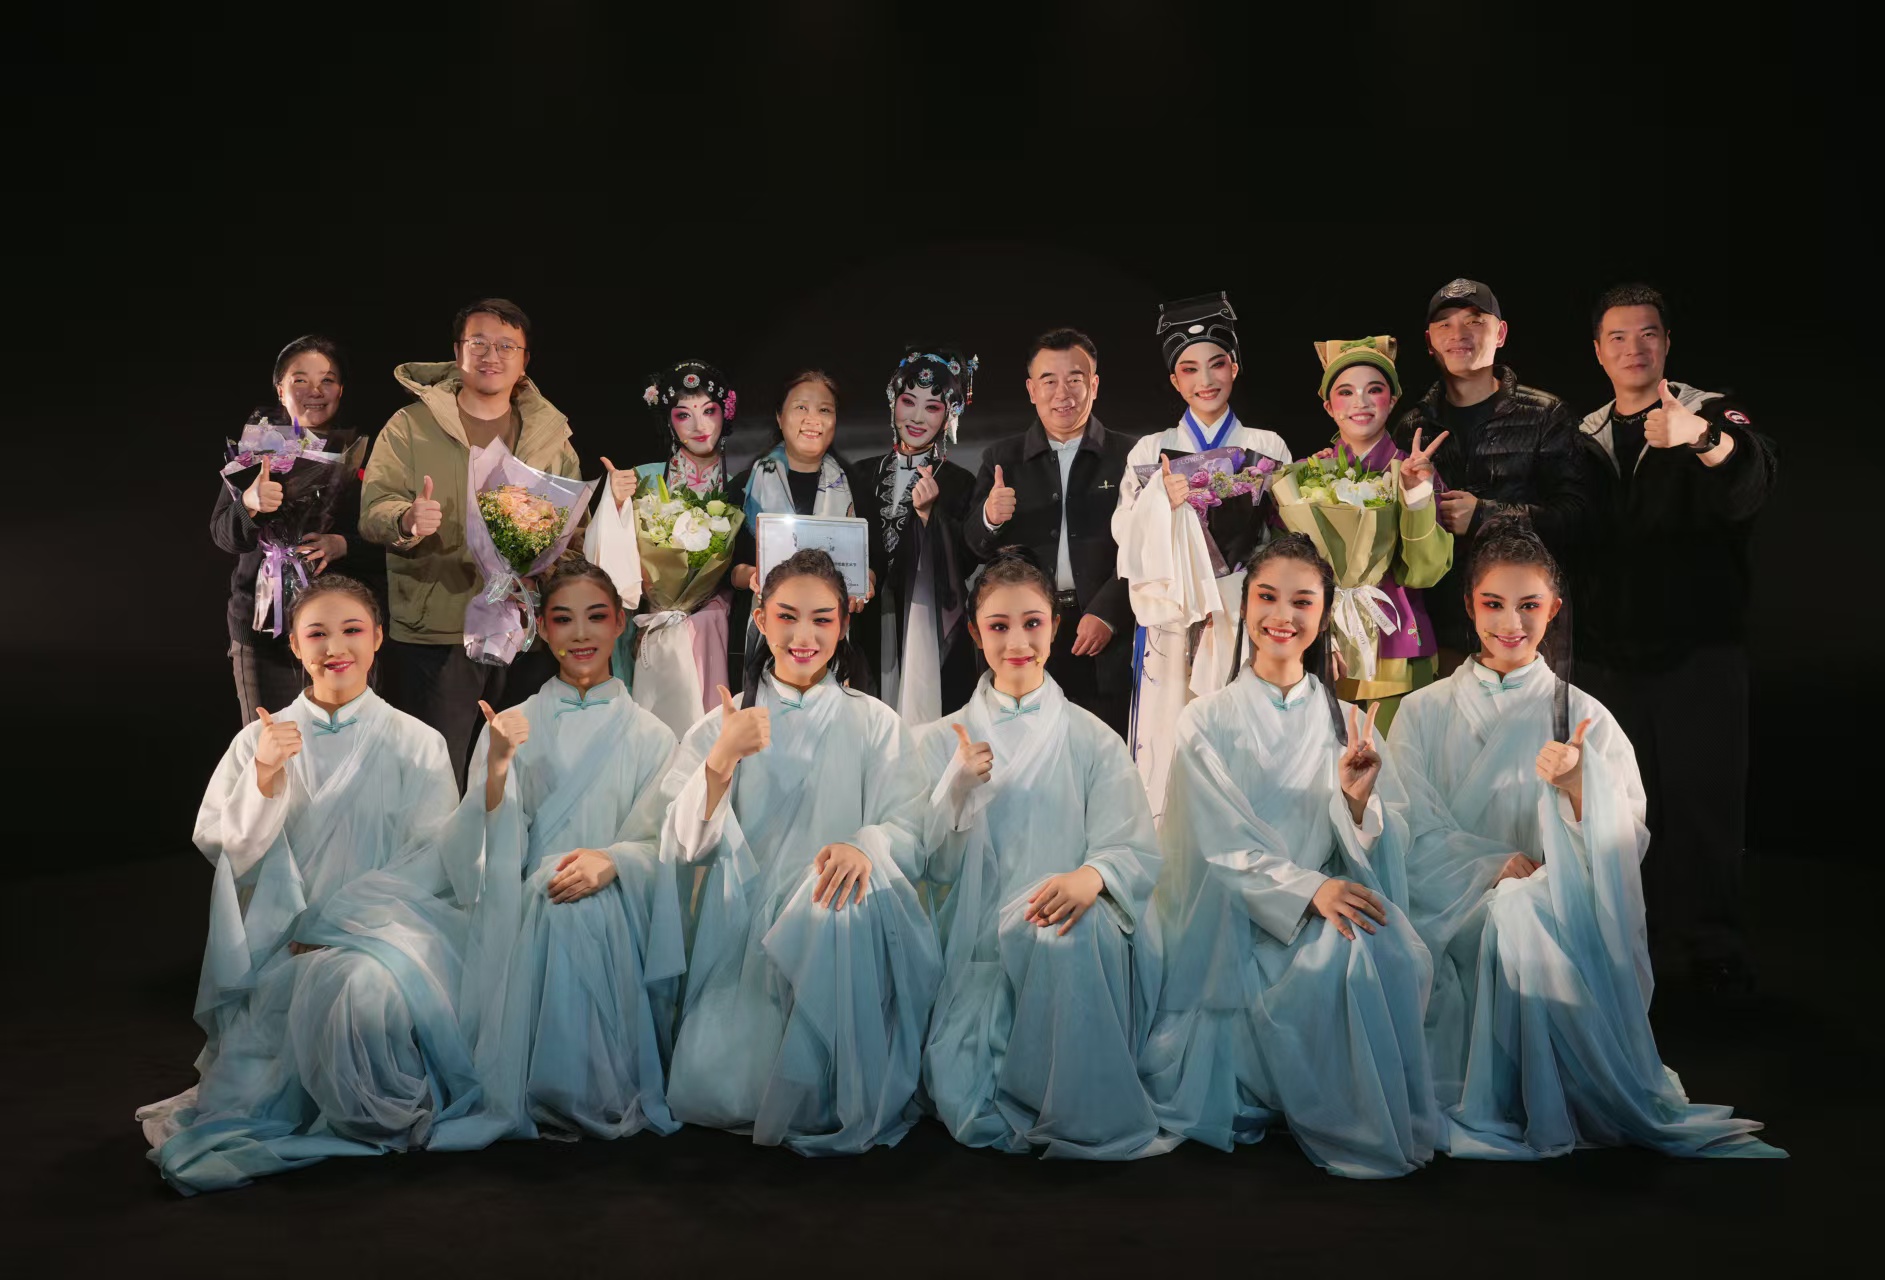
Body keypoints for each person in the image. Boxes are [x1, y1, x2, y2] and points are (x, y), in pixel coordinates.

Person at [1389, 520, 1783, 1160]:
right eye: (1493, 604)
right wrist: (1490, 866)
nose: (1510, 623)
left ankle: (1541, 1095)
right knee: (1507, 907)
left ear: (1554, 610)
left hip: (1552, 910)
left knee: (1522, 911)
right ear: (1469, 606)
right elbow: (1406, 824)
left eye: (1529, 605)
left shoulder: (1586, 715)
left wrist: (1579, 788)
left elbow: (1625, 838)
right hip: (1448, 908)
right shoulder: (1421, 711)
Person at [138, 577, 476, 1193]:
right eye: (316, 633)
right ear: (294, 645)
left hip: (386, 938)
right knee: (251, 1089)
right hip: (283, 941)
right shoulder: (257, 741)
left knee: (361, 992)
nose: (334, 647)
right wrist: (265, 774)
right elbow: (223, 846)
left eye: (352, 630)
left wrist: (345, 928)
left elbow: (431, 859)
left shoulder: (418, 742)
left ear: (378, 638)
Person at [1141, 534, 1439, 1179]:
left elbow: (1388, 840)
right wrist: (1310, 891)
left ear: (1324, 612)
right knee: (1342, 955)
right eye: (1267, 597)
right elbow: (1220, 847)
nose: (1283, 615)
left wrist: (1356, 804)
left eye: (1302, 601)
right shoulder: (1205, 720)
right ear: (1244, 604)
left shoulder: (1348, 723)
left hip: (1319, 901)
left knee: (1393, 948)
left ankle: (1362, 1113)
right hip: (1234, 922)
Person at [658, 549, 940, 1154]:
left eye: (822, 619)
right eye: (786, 617)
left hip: (843, 918)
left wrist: (865, 845)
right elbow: (682, 845)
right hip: (742, 937)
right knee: (719, 1090)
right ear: (760, 618)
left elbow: (911, 826)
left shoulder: (876, 723)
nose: (803, 637)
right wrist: (721, 759)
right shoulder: (721, 724)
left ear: (844, 624)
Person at [915, 548, 1174, 1159]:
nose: (1017, 642)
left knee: (1067, 936)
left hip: (1073, 919)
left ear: (1056, 627)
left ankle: (1076, 1104)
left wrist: (1093, 875)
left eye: (1032, 623)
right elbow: (926, 865)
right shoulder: (935, 741)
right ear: (975, 633)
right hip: (977, 940)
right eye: (999, 626)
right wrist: (954, 789)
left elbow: (1132, 845)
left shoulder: (1094, 738)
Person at [435, 556, 684, 1147]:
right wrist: (498, 767)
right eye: (564, 619)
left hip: (624, 901)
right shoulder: (512, 724)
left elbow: (666, 843)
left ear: (620, 623)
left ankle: (580, 1084)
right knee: (561, 902)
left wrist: (615, 861)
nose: (581, 634)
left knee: (587, 907)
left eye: (596, 617)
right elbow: (476, 850)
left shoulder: (653, 735)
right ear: (541, 628)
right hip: (529, 903)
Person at [1575, 284, 1778, 996]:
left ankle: (1712, 945)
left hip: (1699, 649)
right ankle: (1634, 942)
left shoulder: (1711, 413)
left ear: (1666, 343)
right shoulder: (1584, 434)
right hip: (1610, 656)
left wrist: (1701, 439)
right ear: (1598, 351)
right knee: (1621, 809)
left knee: (1702, 803)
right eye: (1618, 337)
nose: (1634, 348)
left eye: (1648, 334)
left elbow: (1752, 481)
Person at [359, 298, 581, 788]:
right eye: (478, 343)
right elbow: (373, 510)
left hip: (524, 633)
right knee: (439, 780)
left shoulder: (550, 433)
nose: (491, 355)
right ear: (457, 352)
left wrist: (550, 574)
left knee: (520, 776)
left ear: (525, 360)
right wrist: (405, 519)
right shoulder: (410, 426)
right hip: (439, 630)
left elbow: (572, 528)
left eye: (506, 346)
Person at [1112, 293, 1291, 811]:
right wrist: (1159, 502)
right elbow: (1124, 532)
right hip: (1170, 613)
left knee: (1242, 739)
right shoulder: (1150, 450)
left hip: (1243, 609)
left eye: (1217, 364)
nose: (1205, 380)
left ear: (1235, 367)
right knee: (1168, 741)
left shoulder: (1269, 445)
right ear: (1175, 381)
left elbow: (1286, 539)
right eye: (1189, 369)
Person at [1390, 278, 1604, 671]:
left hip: (1525, 632)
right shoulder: (1413, 427)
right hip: (1439, 629)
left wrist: (1484, 515)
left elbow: (1579, 518)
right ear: (1430, 341)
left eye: (1474, 321)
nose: (1459, 334)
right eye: (1445, 324)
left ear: (1500, 333)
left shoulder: (1545, 415)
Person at [966, 329, 1135, 736]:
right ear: (1031, 390)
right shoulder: (1001, 458)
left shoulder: (1130, 455)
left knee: (1102, 746)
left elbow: (1147, 550)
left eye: (1075, 379)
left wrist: (1108, 613)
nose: (1063, 393)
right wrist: (989, 516)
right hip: (1027, 635)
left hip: (1104, 636)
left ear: (1094, 385)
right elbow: (972, 547)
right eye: (1049, 381)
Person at [212, 335, 379, 724]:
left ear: (341, 389)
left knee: (344, 744)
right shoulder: (256, 450)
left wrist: (344, 545)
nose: (314, 391)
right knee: (274, 743)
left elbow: (392, 544)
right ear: (280, 388)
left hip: (341, 634)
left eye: (327, 380)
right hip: (263, 630)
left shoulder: (364, 453)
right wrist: (249, 503)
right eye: (300, 380)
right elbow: (223, 536)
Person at [584, 359, 740, 738]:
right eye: (684, 415)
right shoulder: (643, 478)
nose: (699, 425)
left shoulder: (742, 484)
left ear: (726, 413)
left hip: (719, 630)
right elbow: (605, 566)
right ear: (668, 421)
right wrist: (615, 504)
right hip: (651, 628)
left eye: (709, 411)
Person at [1307, 336, 1453, 732]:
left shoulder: (1416, 470)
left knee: (1399, 763)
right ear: (1329, 406)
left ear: (1392, 400)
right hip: (1327, 647)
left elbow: (1425, 572)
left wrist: (1417, 495)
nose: (1361, 402)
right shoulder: (1307, 475)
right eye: (1345, 392)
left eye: (1374, 390)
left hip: (1398, 647)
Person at [857, 347, 980, 723]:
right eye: (908, 401)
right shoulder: (859, 474)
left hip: (930, 626)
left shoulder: (961, 482)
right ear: (892, 402)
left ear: (950, 415)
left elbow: (966, 560)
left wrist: (930, 516)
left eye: (932, 407)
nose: (916, 417)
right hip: (865, 623)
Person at [727, 371, 870, 691]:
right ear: (780, 417)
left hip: (832, 640)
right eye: (801, 407)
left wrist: (866, 583)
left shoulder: (856, 486)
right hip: (765, 636)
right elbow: (728, 570)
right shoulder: (746, 488)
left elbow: (875, 566)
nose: (812, 419)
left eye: (824, 410)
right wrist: (752, 575)